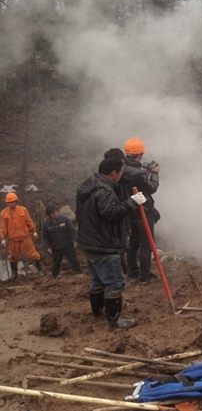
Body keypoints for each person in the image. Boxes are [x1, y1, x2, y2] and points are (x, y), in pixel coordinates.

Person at [76, 155, 146, 329]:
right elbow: (110, 213)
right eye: (121, 171)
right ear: (114, 173)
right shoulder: (105, 190)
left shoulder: (87, 185)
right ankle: (114, 321)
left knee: (98, 280)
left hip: (90, 241)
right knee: (115, 282)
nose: (122, 175)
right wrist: (131, 203)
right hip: (104, 243)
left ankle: (98, 312)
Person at [122, 138, 160, 285]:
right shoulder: (139, 173)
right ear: (139, 155)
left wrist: (145, 172)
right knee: (146, 244)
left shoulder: (122, 168)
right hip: (143, 211)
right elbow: (152, 188)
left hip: (129, 210)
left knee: (134, 242)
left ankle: (132, 271)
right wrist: (154, 174)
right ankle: (145, 275)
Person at [1, 192, 44, 279]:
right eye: (9, 202)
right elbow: (3, 227)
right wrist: (2, 238)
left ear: (15, 201)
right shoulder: (3, 213)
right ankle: (14, 273)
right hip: (12, 239)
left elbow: (29, 221)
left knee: (33, 254)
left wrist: (34, 231)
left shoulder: (23, 210)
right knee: (12, 256)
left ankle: (40, 271)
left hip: (25, 237)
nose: (11, 204)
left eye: (12, 202)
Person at [42, 205, 82, 277]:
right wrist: (47, 247)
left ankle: (78, 273)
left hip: (67, 244)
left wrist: (76, 241)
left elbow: (72, 230)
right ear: (49, 215)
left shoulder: (64, 219)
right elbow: (44, 237)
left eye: (56, 212)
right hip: (56, 246)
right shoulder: (46, 224)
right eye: (53, 213)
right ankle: (55, 276)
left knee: (73, 260)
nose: (56, 214)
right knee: (56, 262)